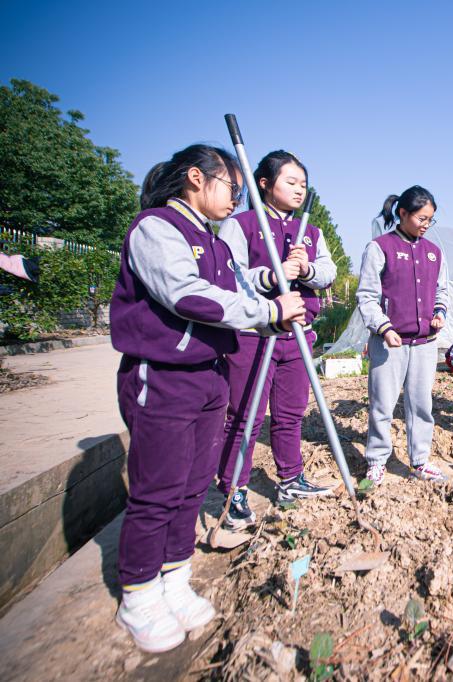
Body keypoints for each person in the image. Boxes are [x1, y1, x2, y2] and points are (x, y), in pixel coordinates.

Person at [109, 144, 305, 652]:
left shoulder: (214, 241)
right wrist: (267, 313)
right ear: (196, 178)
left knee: (193, 485)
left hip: (210, 374)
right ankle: (137, 591)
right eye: (231, 187)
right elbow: (185, 294)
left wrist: (275, 287)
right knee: (158, 488)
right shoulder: (157, 228)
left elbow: (242, 287)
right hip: (166, 376)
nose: (236, 198)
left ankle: (173, 578)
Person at [215, 151, 337, 528]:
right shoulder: (242, 225)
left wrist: (306, 269)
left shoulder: (310, 232)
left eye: (303, 184)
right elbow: (229, 277)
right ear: (264, 184)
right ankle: (234, 489)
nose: (299, 190)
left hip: (297, 334)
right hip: (253, 334)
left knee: (289, 414)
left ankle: (290, 479)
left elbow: (329, 272)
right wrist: (272, 275)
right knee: (245, 416)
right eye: (290, 182)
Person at [356, 185, 449, 485]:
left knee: (421, 405)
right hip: (389, 342)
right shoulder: (379, 247)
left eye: (430, 220)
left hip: (424, 344)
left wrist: (440, 314)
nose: (425, 225)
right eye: (421, 218)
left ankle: (419, 460)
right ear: (403, 213)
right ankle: (378, 460)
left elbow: (441, 292)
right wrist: (384, 327)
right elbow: (367, 296)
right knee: (382, 404)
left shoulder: (435, 253)